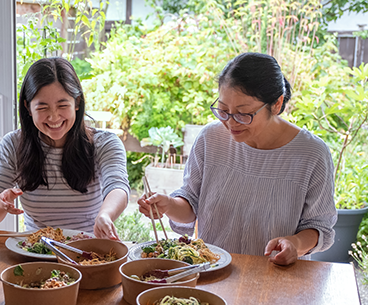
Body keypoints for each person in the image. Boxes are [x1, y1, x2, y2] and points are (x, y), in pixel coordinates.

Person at [138, 52, 337, 266]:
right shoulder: (210, 139)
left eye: (243, 114)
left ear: (277, 104)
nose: (231, 123)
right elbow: (191, 204)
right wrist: (168, 204)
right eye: (223, 110)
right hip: (212, 271)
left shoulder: (311, 153)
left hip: (276, 276)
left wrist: (295, 243)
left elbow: (319, 227)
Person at [0, 57, 130, 239]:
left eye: (62, 105)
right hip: (34, 252)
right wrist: (0, 204)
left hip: (88, 252)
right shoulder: (13, 144)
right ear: (28, 108)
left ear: (76, 103)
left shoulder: (104, 143)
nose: (53, 117)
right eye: (42, 107)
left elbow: (118, 187)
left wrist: (105, 215)